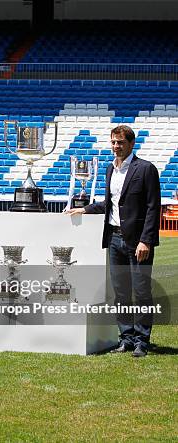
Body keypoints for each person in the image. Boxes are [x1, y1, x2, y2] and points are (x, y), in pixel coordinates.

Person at [66, 125, 161, 357]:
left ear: (131, 144)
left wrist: (146, 241)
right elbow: (110, 204)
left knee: (142, 292)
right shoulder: (110, 169)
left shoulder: (146, 169)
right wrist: (85, 209)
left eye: (120, 142)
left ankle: (142, 341)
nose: (116, 146)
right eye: (113, 142)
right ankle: (126, 338)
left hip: (138, 242)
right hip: (114, 239)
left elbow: (153, 208)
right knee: (120, 293)